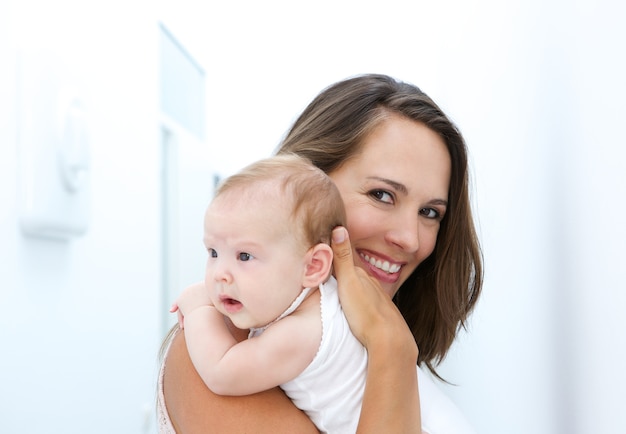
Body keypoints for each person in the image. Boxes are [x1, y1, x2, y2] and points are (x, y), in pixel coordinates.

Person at [158, 73, 483, 434]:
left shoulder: (359, 347)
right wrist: (392, 351)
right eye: (381, 195)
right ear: (308, 185)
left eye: (429, 213)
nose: (410, 239)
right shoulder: (214, 351)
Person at [169, 154, 371, 433]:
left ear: (313, 266)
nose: (219, 274)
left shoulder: (303, 331)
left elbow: (221, 373)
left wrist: (197, 309)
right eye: (213, 252)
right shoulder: (318, 296)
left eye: (245, 256)